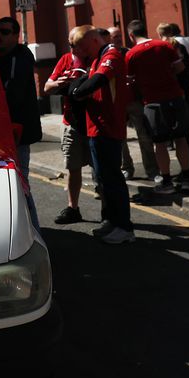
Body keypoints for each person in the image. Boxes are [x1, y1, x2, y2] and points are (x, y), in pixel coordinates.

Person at [67, 25, 134, 244]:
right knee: (103, 180)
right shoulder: (95, 59)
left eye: (84, 47)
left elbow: (98, 81)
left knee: (113, 179)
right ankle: (112, 222)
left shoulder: (111, 54)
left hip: (108, 127)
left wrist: (77, 92)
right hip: (95, 127)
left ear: (94, 41)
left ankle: (124, 227)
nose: (83, 53)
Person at [125, 21, 189, 196]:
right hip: (175, 97)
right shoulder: (165, 45)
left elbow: (130, 81)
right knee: (181, 139)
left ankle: (166, 181)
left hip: (153, 103)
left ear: (131, 35)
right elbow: (180, 67)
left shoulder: (132, 54)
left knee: (160, 144)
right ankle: (187, 179)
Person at [44, 33, 90, 224]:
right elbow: (47, 87)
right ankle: (73, 208)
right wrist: (59, 83)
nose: (71, 48)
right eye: (69, 44)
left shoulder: (97, 59)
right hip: (71, 122)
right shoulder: (66, 59)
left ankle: (108, 212)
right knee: (73, 167)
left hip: (95, 122)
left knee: (100, 169)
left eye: (75, 44)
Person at [0, 17, 41, 181]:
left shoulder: (18, 59)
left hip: (16, 132)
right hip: (6, 132)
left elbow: (11, 94)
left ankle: (28, 208)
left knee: (19, 181)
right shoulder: (3, 60)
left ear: (16, 36)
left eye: (5, 32)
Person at [110, 27, 158, 183]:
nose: (118, 39)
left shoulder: (129, 52)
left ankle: (152, 170)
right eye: (114, 36)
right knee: (120, 139)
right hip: (116, 103)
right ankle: (126, 168)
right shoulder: (107, 56)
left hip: (133, 100)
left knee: (144, 135)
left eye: (119, 36)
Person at [158, 22, 189, 137]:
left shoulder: (162, 46)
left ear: (159, 33)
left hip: (175, 81)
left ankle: (178, 132)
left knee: (176, 108)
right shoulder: (188, 40)